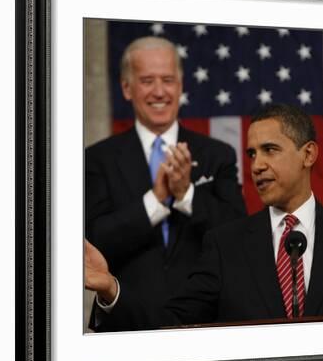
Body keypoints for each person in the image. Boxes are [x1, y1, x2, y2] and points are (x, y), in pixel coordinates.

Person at [86, 104, 323, 331]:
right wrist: (111, 289)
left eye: (270, 150)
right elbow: (169, 324)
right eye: (252, 153)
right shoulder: (224, 244)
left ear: (308, 154)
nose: (256, 165)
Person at [85, 36, 246, 330]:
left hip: (204, 324)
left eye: (168, 80)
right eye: (147, 80)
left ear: (181, 86)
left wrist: (186, 194)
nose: (159, 91)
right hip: (124, 321)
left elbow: (238, 236)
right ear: (126, 88)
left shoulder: (218, 154)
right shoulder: (96, 159)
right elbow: (94, 242)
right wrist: (156, 199)